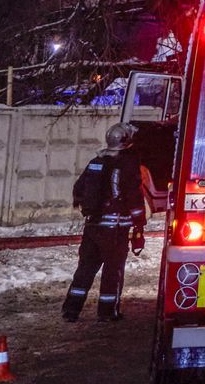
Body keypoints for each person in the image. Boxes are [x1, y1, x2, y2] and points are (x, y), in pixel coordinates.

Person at [63, 122, 147, 322]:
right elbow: (134, 197)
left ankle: (71, 310)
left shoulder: (95, 162)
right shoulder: (126, 165)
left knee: (85, 269)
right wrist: (139, 223)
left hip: (92, 226)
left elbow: (78, 189)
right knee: (113, 271)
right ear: (126, 141)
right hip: (114, 229)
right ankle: (108, 312)